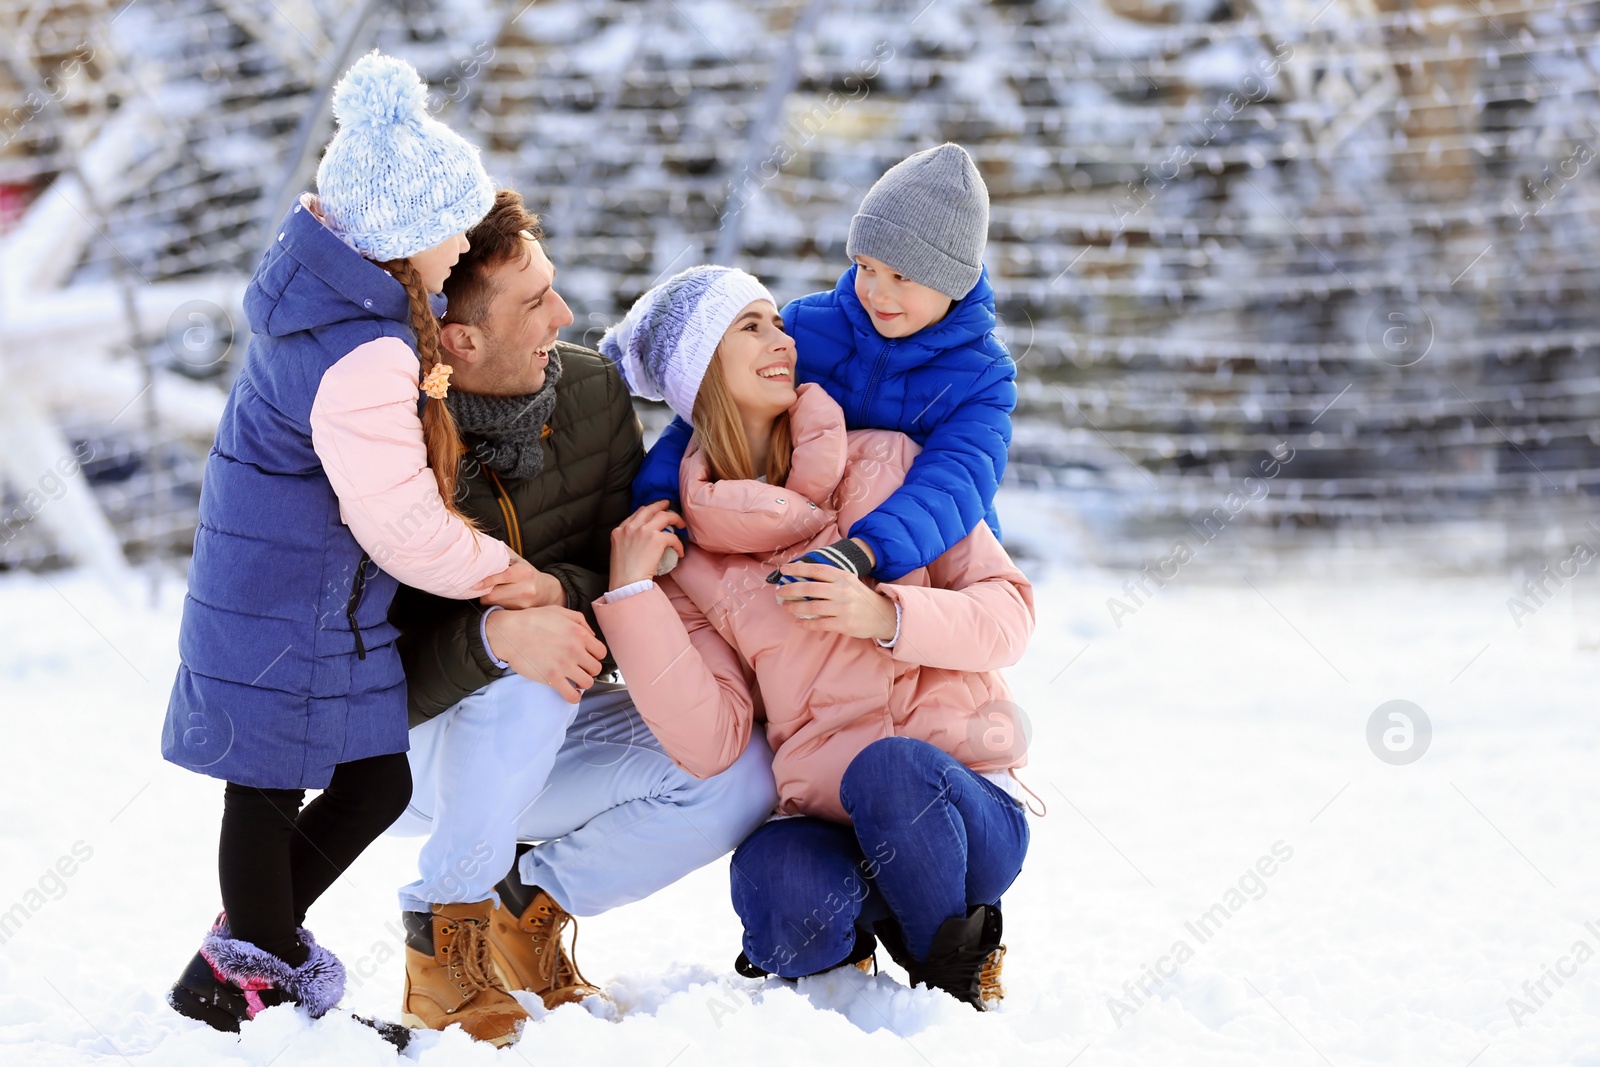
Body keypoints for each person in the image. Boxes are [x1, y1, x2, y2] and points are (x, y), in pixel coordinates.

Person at [162, 53, 537, 1033]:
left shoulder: (332, 310)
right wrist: (503, 572)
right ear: (406, 232)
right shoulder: (362, 350)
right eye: (452, 224)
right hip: (289, 603)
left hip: (280, 592)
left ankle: (242, 962)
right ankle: (247, 980)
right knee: (277, 787)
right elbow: (403, 524)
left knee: (354, 778)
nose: (463, 243)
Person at [384, 193, 779, 1046]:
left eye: (553, 287)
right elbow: (363, 657)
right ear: (462, 338)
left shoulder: (592, 391)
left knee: (740, 771)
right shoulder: (392, 431)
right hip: (409, 749)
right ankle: (441, 931)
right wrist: (495, 637)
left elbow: (610, 564)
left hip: (548, 713)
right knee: (533, 659)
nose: (563, 316)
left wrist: (559, 593)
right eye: (534, 302)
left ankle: (521, 914)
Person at [594, 266, 1035, 1010]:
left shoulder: (892, 461)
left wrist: (887, 616)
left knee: (889, 770)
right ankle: (865, 942)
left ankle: (951, 976)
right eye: (752, 326)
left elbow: (1010, 616)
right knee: (775, 885)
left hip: (959, 809)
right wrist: (635, 596)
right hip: (826, 818)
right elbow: (712, 741)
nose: (785, 339)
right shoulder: (690, 562)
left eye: (778, 320)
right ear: (700, 374)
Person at [630, 143, 1014, 587]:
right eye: (866, 267)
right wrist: (660, 504)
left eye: (902, 277)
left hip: (929, 556)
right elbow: (710, 415)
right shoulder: (806, 326)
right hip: (804, 536)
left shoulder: (984, 376)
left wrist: (865, 550)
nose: (877, 294)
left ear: (953, 282)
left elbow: (956, 479)